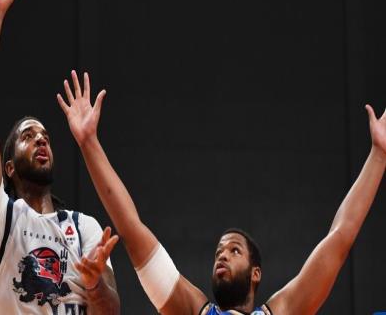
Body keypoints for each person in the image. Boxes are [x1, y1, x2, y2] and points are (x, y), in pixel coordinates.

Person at [58, 70, 386, 315]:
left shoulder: (284, 311)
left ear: (256, 274)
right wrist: (88, 143)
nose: (222, 256)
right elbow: (131, 229)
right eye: (219, 251)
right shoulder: (191, 309)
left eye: (234, 250)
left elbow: (340, 238)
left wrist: (379, 155)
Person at [0, 0, 120, 315]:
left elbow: (112, 312)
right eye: (28, 136)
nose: (40, 139)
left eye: (46, 137)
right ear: (7, 167)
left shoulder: (85, 228)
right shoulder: (0, 219)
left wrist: (95, 283)